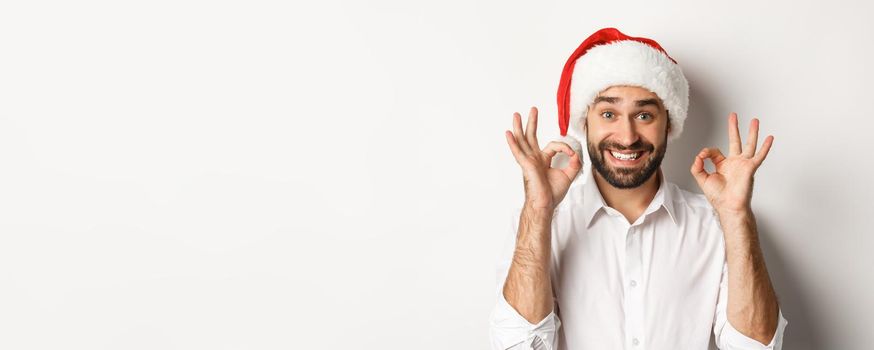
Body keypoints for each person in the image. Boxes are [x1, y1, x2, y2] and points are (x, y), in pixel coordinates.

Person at [489, 28, 788, 350]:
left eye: (644, 115)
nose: (627, 136)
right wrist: (538, 209)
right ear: (584, 123)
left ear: (668, 124)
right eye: (608, 113)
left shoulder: (715, 223)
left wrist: (736, 214)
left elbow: (756, 347)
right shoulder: (544, 222)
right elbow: (516, 346)